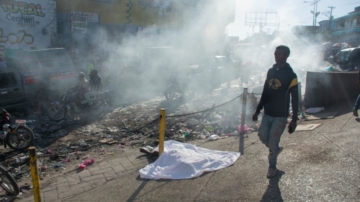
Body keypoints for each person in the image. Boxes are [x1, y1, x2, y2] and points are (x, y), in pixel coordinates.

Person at [252, 45, 298, 178]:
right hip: (268, 113)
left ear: (286, 56)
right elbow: (265, 92)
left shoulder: (291, 75)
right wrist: (258, 110)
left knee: (273, 140)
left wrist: (294, 119)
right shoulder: (271, 72)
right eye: (275, 54)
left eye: (279, 54)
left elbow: (295, 99)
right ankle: (275, 150)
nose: (276, 56)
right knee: (261, 135)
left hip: (281, 116)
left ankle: (272, 167)